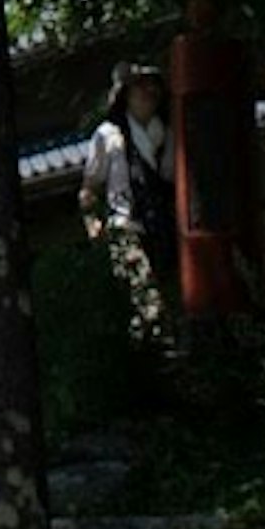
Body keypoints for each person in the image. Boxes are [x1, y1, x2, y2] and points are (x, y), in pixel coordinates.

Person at [78, 56, 181, 365]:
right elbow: (89, 186)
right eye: (140, 86)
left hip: (163, 226)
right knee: (146, 298)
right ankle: (151, 359)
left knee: (170, 294)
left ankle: (150, 361)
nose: (148, 92)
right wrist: (91, 221)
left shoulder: (168, 135)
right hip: (126, 228)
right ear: (126, 93)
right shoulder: (108, 135)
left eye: (153, 86)